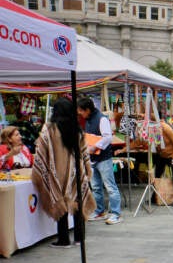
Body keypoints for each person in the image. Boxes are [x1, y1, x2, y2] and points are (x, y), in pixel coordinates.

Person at [32, 98, 96, 248]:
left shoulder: (49, 129)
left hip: (56, 174)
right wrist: (86, 170)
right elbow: (84, 153)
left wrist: (41, 170)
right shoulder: (77, 129)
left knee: (61, 203)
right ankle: (80, 238)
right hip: (76, 172)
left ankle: (64, 240)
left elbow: (41, 151)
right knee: (78, 203)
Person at [78, 97, 123, 225]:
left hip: (103, 158)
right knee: (96, 187)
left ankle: (116, 213)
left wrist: (95, 146)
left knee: (110, 186)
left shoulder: (102, 118)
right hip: (92, 159)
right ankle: (99, 211)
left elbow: (108, 138)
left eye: (81, 111)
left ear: (87, 109)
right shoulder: (88, 120)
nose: (80, 114)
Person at [154, 115, 173, 206]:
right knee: (157, 175)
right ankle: (155, 197)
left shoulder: (166, 127)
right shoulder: (154, 129)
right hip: (163, 156)